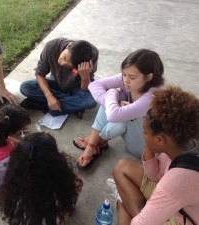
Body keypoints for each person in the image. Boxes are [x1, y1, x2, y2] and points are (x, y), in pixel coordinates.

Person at [107, 86, 199, 225]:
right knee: (121, 167)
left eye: (145, 132)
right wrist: (150, 145)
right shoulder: (183, 143)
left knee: (127, 212)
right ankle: (140, 208)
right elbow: (154, 175)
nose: (143, 136)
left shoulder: (178, 179)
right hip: (173, 195)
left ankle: (126, 205)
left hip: (181, 219)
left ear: (160, 140)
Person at [74, 49, 165, 170]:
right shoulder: (128, 78)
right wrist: (114, 99)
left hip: (143, 148)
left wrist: (111, 92)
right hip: (134, 131)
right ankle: (95, 144)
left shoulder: (150, 98)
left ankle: (95, 143)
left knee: (117, 108)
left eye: (131, 77)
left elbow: (113, 116)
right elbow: (94, 85)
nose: (126, 80)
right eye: (124, 74)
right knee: (112, 102)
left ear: (148, 77)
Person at [3, 132, 83, 225]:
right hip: (51, 218)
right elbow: (71, 185)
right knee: (77, 184)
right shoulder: (58, 177)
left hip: (24, 217)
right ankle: (67, 210)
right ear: (54, 159)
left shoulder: (14, 180)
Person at [19, 38, 98, 118]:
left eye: (68, 66)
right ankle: (72, 104)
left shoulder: (91, 56)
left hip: (77, 86)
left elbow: (85, 89)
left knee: (91, 100)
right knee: (25, 87)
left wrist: (85, 76)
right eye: (64, 58)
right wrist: (49, 96)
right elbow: (40, 74)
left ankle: (44, 105)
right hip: (56, 81)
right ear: (68, 46)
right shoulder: (52, 46)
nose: (62, 63)